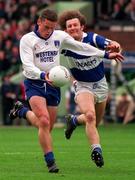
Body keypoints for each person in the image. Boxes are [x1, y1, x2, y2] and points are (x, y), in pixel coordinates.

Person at [9, 9, 124, 173]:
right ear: (39, 22)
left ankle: (22, 111)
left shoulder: (60, 37)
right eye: (46, 27)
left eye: (52, 28)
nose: (49, 31)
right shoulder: (27, 40)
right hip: (35, 81)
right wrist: (43, 74)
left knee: (48, 127)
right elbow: (27, 65)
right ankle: (51, 162)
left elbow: (82, 47)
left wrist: (106, 54)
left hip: (55, 84)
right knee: (44, 121)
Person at [58, 10, 123, 168]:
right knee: (90, 116)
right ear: (65, 30)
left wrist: (115, 46)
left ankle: (73, 120)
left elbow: (113, 45)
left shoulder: (92, 38)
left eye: (75, 25)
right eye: (69, 26)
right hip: (82, 85)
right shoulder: (64, 44)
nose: (73, 28)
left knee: (95, 122)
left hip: (100, 85)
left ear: (82, 26)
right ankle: (96, 151)